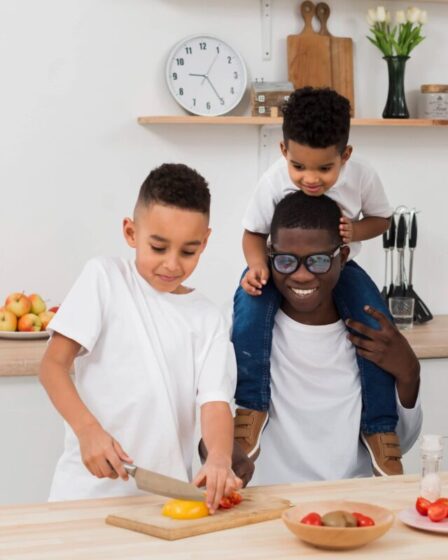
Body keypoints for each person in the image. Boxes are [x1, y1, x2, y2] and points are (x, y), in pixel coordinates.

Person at [39, 163, 241, 512]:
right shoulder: (104, 278)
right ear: (131, 233)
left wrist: (220, 458)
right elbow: (52, 366)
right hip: (82, 500)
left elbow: (215, 403)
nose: (172, 264)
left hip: (164, 505)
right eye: (158, 247)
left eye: (188, 251)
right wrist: (88, 431)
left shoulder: (209, 319)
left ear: (205, 241)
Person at [232, 87, 400, 476]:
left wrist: (356, 231)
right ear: (283, 151)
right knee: (248, 310)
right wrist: (257, 266)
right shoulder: (274, 180)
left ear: (345, 155)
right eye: (299, 166)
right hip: (280, 266)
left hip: (338, 268)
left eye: (324, 169)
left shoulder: (362, 176)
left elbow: (382, 219)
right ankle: (251, 406)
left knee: (375, 323)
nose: (310, 179)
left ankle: (380, 429)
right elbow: (252, 233)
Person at [248, 191, 422, 485]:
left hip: (354, 503)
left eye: (317, 261)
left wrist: (409, 373)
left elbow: (399, 444)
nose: (302, 276)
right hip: (270, 505)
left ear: (342, 257)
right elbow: (217, 438)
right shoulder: (244, 334)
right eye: (286, 261)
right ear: (269, 256)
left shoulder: (372, 335)